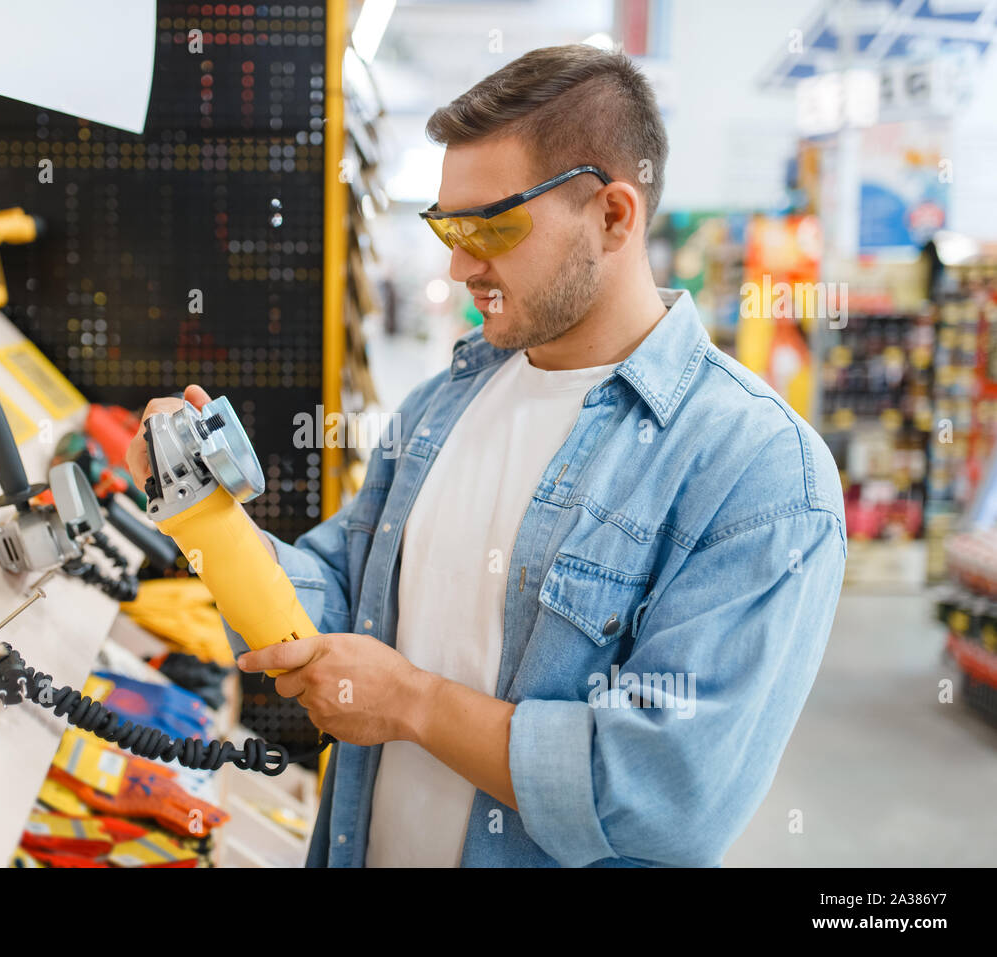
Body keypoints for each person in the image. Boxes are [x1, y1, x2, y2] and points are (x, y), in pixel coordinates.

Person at [126, 44, 846, 867]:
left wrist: (413, 706)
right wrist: (207, 514)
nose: (460, 264)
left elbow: (666, 790)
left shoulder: (758, 474)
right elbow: (337, 605)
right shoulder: (445, 402)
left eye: (491, 226)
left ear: (613, 216)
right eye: (447, 226)